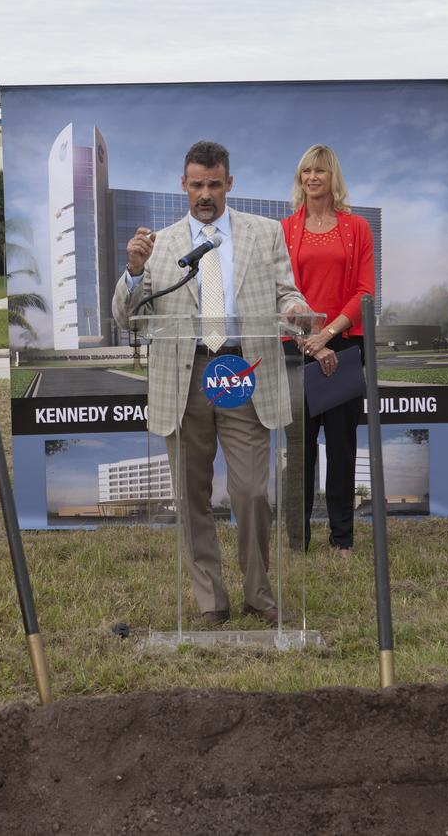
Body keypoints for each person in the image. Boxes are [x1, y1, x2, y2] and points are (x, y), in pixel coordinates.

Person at [111, 141, 306, 626]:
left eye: (214, 184)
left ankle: (258, 594)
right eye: (196, 185)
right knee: (191, 494)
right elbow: (127, 319)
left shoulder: (265, 234)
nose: (205, 194)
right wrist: (134, 272)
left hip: (244, 371)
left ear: (229, 184)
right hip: (186, 376)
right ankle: (210, 601)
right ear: (183, 185)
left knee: (251, 492)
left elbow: (287, 291)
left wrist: (295, 309)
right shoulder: (158, 245)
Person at [280, 145, 375, 559]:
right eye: (306, 171)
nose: (313, 177)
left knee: (341, 448)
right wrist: (310, 341)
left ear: (333, 177)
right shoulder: (284, 229)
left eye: (320, 170)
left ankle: (342, 539)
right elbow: (279, 292)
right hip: (297, 348)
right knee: (299, 451)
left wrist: (328, 334)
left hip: (344, 346)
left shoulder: (357, 228)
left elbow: (365, 293)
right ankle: (298, 541)